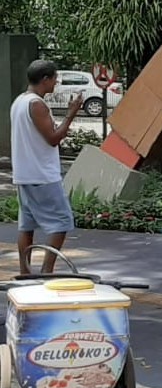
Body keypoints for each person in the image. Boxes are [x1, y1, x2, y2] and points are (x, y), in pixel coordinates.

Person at [10, 60, 82, 275]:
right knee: (61, 222)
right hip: (42, 175)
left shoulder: (19, 102)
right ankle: (46, 270)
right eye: (54, 78)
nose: (56, 83)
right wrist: (71, 113)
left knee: (27, 225)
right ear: (45, 79)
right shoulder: (36, 104)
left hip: (25, 173)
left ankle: (25, 272)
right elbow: (53, 138)